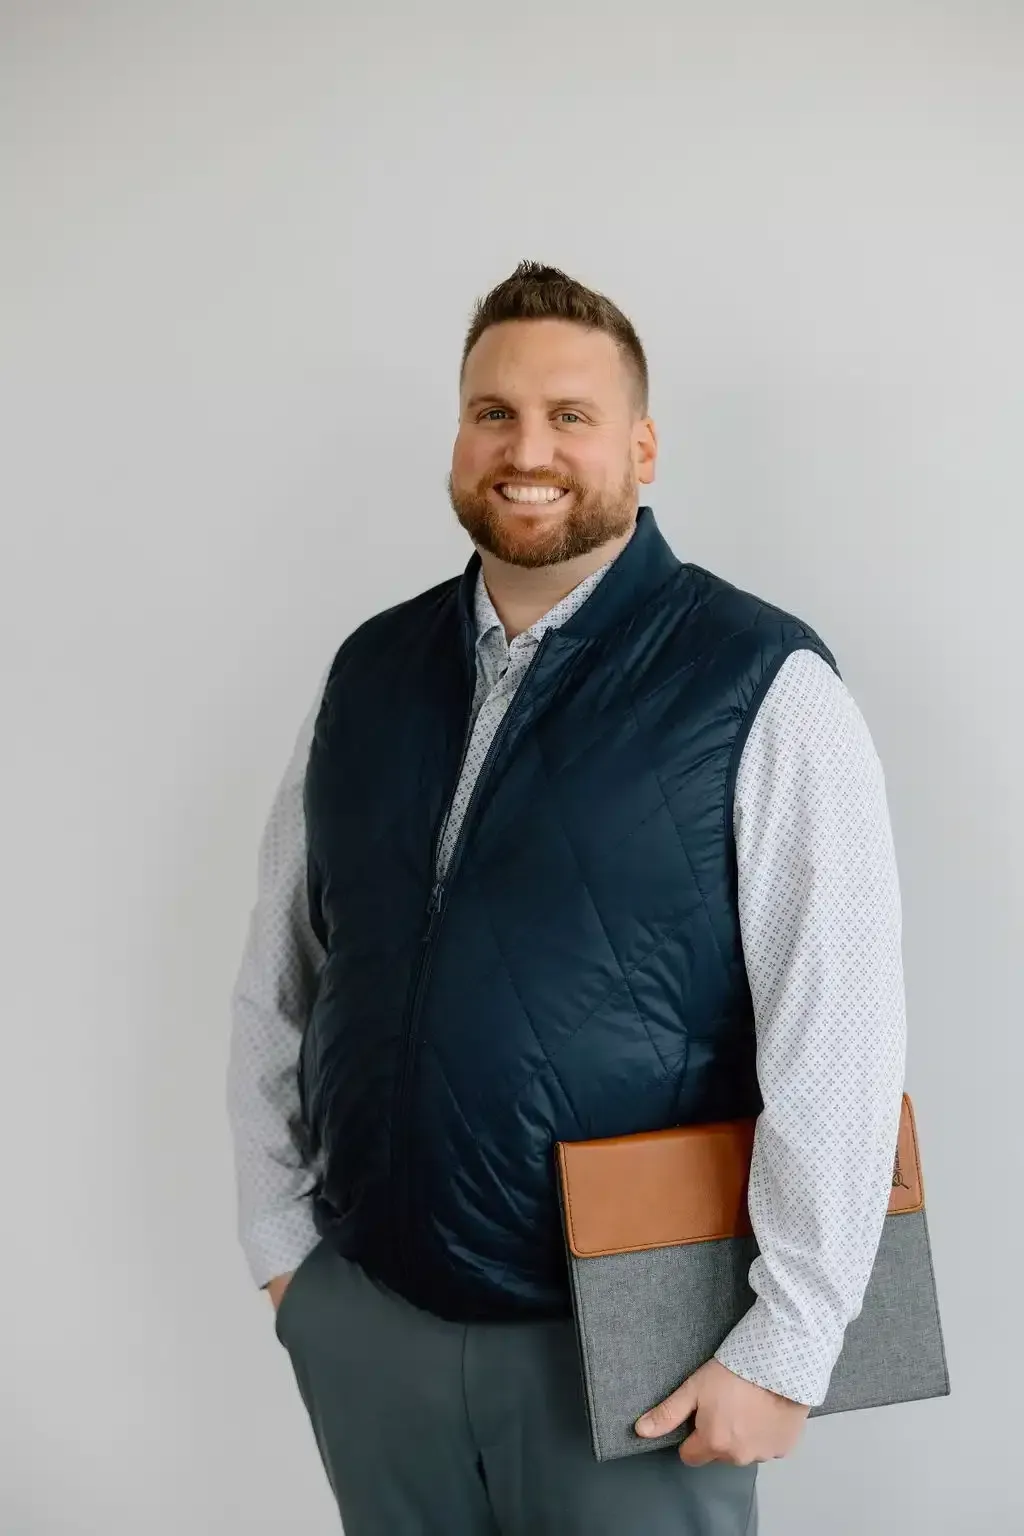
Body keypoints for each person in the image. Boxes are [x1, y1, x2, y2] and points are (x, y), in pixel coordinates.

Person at [226, 260, 906, 1535]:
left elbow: (842, 1028)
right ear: (459, 435)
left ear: (640, 449)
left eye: (569, 416)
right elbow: (287, 965)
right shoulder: (369, 670)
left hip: (638, 1345)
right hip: (373, 1322)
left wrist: (789, 1348)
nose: (525, 447)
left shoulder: (762, 682)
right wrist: (283, 1248)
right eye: (493, 412)